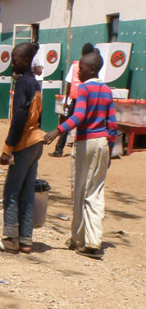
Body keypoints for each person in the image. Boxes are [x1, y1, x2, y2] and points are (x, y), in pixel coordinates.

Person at [44, 52, 117, 260]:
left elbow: (79, 115)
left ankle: (78, 238)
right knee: (95, 190)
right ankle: (92, 241)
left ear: (92, 69)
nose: (78, 71)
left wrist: (57, 131)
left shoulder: (84, 89)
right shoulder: (107, 91)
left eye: (82, 68)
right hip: (102, 143)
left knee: (79, 190)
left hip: (85, 143)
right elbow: (112, 124)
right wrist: (109, 150)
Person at [0, 43, 43, 255]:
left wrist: (8, 149)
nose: (12, 64)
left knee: (11, 190)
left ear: (25, 62)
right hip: (36, 142)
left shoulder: (23, 82)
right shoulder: (35, 82)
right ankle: (26, 240)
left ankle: (11, 238)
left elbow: (20, 117)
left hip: (24, 143)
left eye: (15, 60)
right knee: (27, 192)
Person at [51, 42, 95, 157]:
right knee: (86, 125)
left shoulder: (75, 65)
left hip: (75, 99)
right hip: (89, 100)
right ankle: (83, 151)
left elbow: (69, 84)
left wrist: (66, 100)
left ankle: (58, 150)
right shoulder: (94, 66)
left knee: (69, 123)